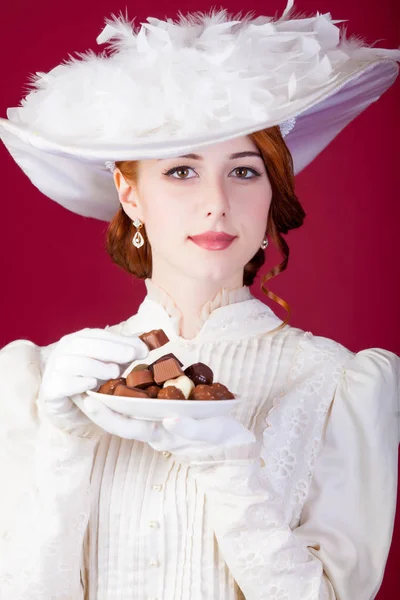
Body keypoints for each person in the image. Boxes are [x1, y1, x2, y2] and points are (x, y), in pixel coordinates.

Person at [0, 3, 399, 599]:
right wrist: (64, 444)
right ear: (129, 194)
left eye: (244, 172)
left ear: (271, 194)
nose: (216, 202)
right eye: (182, 171)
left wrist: (229, 464)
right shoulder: (42, 381)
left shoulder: (337, 381)